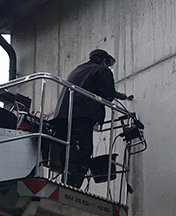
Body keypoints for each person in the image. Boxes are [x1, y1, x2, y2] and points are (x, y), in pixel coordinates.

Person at [48, 49, 130, 187]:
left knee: (68, 148)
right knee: (84, 149)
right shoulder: (102, 71)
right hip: (81, 115)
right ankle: (73, 185)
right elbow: (108, 94)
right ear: (104, 61)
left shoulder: (77, 70)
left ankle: (67, 180)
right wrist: (120, 96)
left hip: (62, 116)